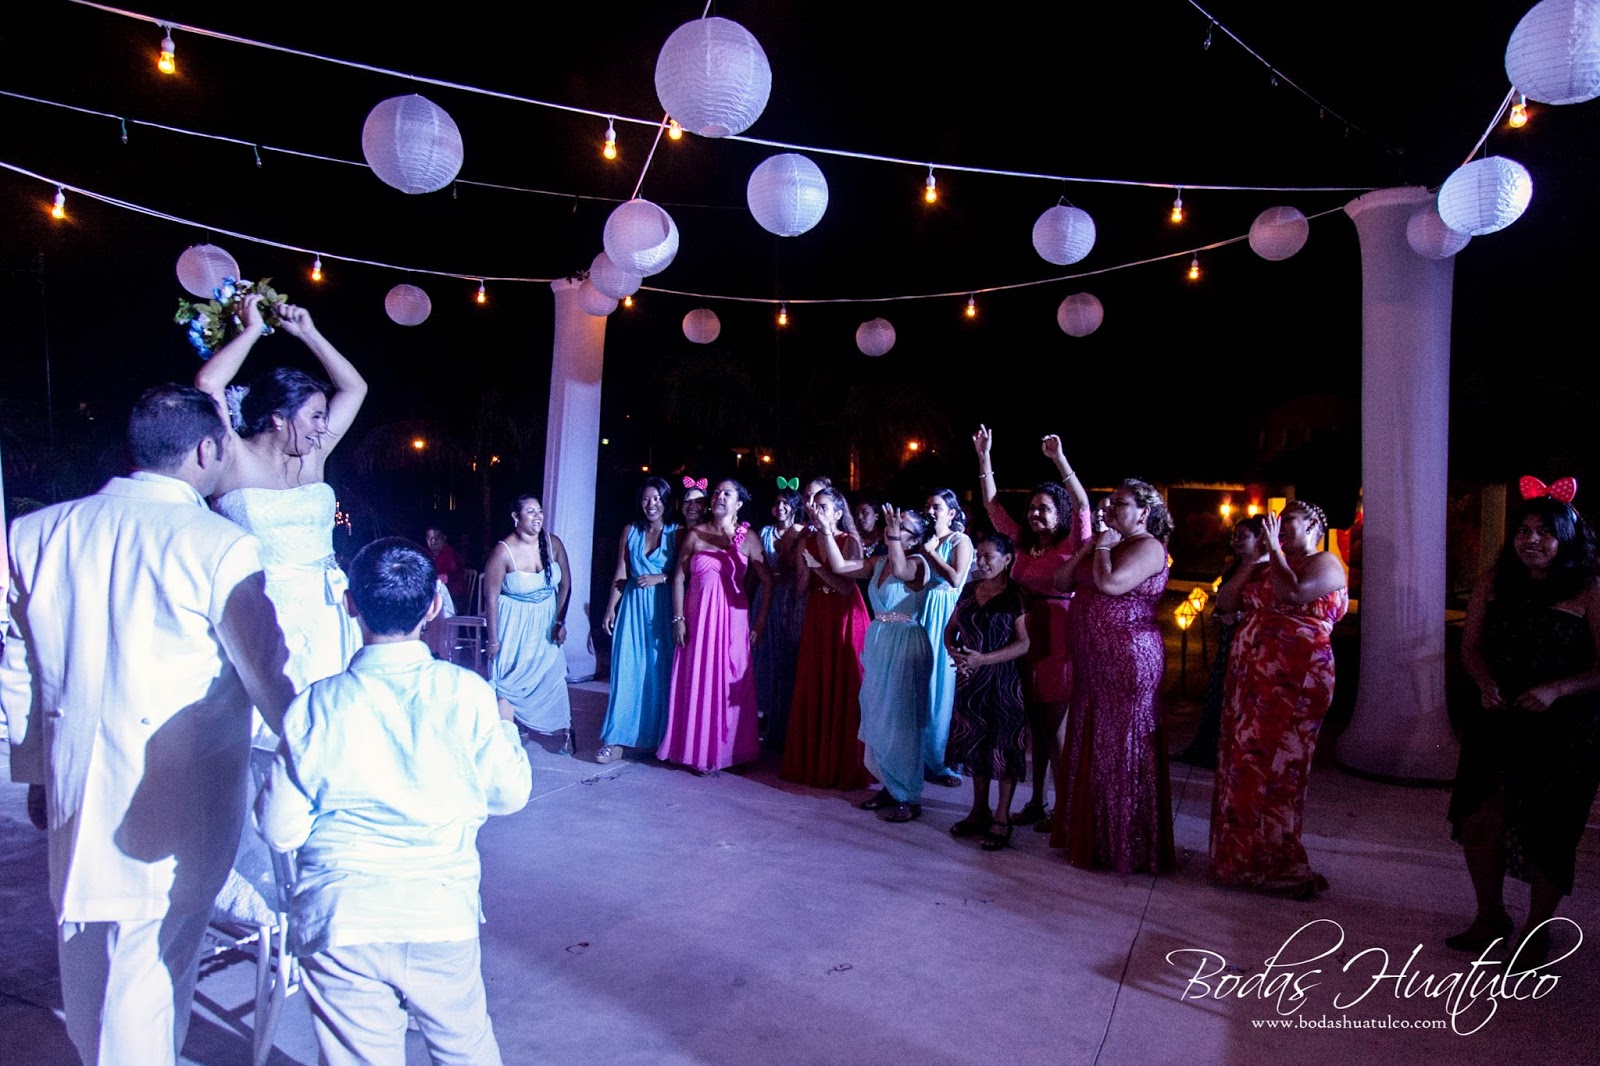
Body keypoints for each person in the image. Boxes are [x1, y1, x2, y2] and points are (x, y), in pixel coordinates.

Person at [0, 385, 296, 1065]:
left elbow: (19, 666)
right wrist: (316, 749)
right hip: (177, 798)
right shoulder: (219, 545)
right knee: (150, 974)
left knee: (85, 952)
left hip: (75, 785)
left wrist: (36, 772)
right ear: (206, 450)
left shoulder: (36, 533)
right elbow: (268, 673)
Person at [257, 537, 531, 1065]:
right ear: (433, 607)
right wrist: (505, 727)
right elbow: (510, 793)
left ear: (350, 603)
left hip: (342, 919)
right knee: (466, 1052)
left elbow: (278, 828)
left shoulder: (315, 705)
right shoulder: (468, 694)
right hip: (439, 911)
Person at [1447, 491, 1600, 965]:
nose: (1530, 540)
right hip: (1497, 716)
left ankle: (1537, 929)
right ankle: (1490, 917)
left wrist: (1557, 689)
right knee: (1478, 819)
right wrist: (1483, 681)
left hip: (1564, 728)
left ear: (1567, 538)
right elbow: (1470, 647)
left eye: (1544, 532)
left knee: (1549, 831)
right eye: (1523, 530)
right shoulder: (1494, 581)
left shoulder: (1590, 588)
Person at [195, 293, 368, 698]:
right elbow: (208, 384)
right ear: (278, 418)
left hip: (325, 613)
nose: (323, 426)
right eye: (315, 416)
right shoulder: (233, 456)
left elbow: (355, 387)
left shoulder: (313, 456)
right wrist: (253, 329)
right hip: (261, 610)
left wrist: (309, 333)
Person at [1210, 500, 1348, 898]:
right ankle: (1240, 858)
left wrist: (1273, 552)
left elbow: (1293, 593)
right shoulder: (1267, 563)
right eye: (1277, 521)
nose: (1280, 527)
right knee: (1244, 759)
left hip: (1296, 675)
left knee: (1279, 764)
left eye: (1289, 521)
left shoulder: (1325, 563)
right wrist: (1254, 559)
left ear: (1315, 525)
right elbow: (1226, 602)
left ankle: (1273, 859)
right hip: (1251, 676)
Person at [1050, 479, 1175, 874]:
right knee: (1093, 738)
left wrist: (1102, 548)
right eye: (1109, 503)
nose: (1108, 509)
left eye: (1119, 504)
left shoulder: (1148, 547)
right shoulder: (1107, 545)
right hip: (1092, 665)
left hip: (1129, 660)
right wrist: (1088, 549)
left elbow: (1111, 584)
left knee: (1119, 743)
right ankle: (1092, 835)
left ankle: (1125, 842)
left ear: (1144, 512)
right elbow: (1061, 581)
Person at [973, 426, 1091, 828]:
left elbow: (1082, 503)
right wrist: (984, 456)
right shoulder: (1021, 543)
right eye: (1033, 508)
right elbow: (991, 506)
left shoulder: (1072, 543)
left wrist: (1059, 459)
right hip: (1023, 635)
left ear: (1059, 513)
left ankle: (1066, 810)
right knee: (1033, 730)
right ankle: (1038, 802)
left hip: (1057, 637)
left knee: (1056, 730)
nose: (1035, 513)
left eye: (1044, 508)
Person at [824, 507, 932, 823]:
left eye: (902, 527)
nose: (892, 528)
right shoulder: (879, 562)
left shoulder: (918, 563)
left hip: (905, 643)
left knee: (901, 721)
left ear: (915, 539)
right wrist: (826, 528)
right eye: (893, 524)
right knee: (876, 714)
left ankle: (908, 796)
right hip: (880, 641)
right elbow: (841, 566)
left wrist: (893, 535)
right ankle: (889, 785)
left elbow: (901, 570)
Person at [657, 479, 772, 773]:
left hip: (733, 621)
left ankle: (731, 752)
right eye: (717, 492)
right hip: (698, 618)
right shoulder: (695, 534)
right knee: (699, 679)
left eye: (727, 493)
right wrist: (678, 618)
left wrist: (759, 622)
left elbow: (768, 582)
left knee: (732, 681)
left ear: (739, 504)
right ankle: (697, 750)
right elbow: (679, 577)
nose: (720, 496)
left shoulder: (748, 538)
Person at [780, 486, 874, 790]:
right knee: (816, 683)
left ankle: (846, 765)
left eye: (824, 507)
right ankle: (813, 762)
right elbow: (801, 588)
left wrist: (817, 566)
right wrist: (795, 559)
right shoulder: (806, 540)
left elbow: (846, 587)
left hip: (846, 615)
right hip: (818, 613)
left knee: (845, 685)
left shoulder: (850, 541)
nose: (817, 511)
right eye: (815, 506)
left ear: (837, 513)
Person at [945, 532, 1031, 851]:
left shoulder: (1017, 596)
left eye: (988, 557)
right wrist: (957, 655)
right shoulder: (970, 590)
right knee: (975, 745)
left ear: (1006, 559)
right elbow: (951, 629)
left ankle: (1002, 816)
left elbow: (1025, 644)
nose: (981, 562)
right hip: (971, 680)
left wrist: (983, 659)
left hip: (1004, 680)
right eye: (978, 556)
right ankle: (978, 810)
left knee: (1004, 747)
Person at [597, 477, 679, 762]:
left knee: (659, 672)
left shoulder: (677, 531)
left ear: (666, 501)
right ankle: (615, 738)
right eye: (645, 498)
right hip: (632, 607)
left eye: (656, 498)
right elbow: (621, 571)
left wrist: (661, 577)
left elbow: (687, 573)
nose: (651, 504)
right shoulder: (630, 530)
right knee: (626, 670)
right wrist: (611, 608)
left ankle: (660, 740)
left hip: (662, 609)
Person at [1177, 515, 1268, 768]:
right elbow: (1223, 599)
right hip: (1229, 635)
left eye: (1243, 536)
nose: (1236, 541)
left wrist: (1238, 615)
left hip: (1252, 639)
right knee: (1218, 692)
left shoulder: (1266, 568)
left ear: (1260, 539)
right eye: (1235, 535)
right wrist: (1219, 614)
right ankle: (1207, 748)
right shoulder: (1232, 564)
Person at [485, 495, 574, 751]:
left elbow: (566, 585)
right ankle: (512, 729)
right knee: (510, 678)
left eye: (540, 511)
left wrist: (559, 621)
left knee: (551, 674)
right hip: (513, 624)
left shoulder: (553, 543)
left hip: (546, 621)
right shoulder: (503, 551)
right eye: (530, 512)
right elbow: (491, 599)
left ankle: (564, 730)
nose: (538, 516)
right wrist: (493, 640)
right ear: (516, 517)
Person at [918, 488, 973, 786]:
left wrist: (930, 552)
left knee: (940, 687)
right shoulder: (924, 539)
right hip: (921, 611)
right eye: (927, 506)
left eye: (936, 507)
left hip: (944, 614)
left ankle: (940, 760)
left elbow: (955, 578)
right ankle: (915, 755)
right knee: (920, 684)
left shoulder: (959, 541)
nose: (930, 511)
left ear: (951, 513)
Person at [754, 486, 806, 751]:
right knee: (763, 652)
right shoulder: (764, 532)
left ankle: (781, 716)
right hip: (766, 594)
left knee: (785, 654)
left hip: (789, 596)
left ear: (795, 506)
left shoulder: (802, 532)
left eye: (787, 502)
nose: (781, 507)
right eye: (778, 502)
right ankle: (760, 711)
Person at [426, 526, 468, 608]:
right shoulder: (426, 554)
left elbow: (453, 577)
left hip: (453, 598)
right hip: (433, 596)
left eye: (437, 537)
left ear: (444, 538)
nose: (433, 541)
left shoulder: (451, 554)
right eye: (429, 538)